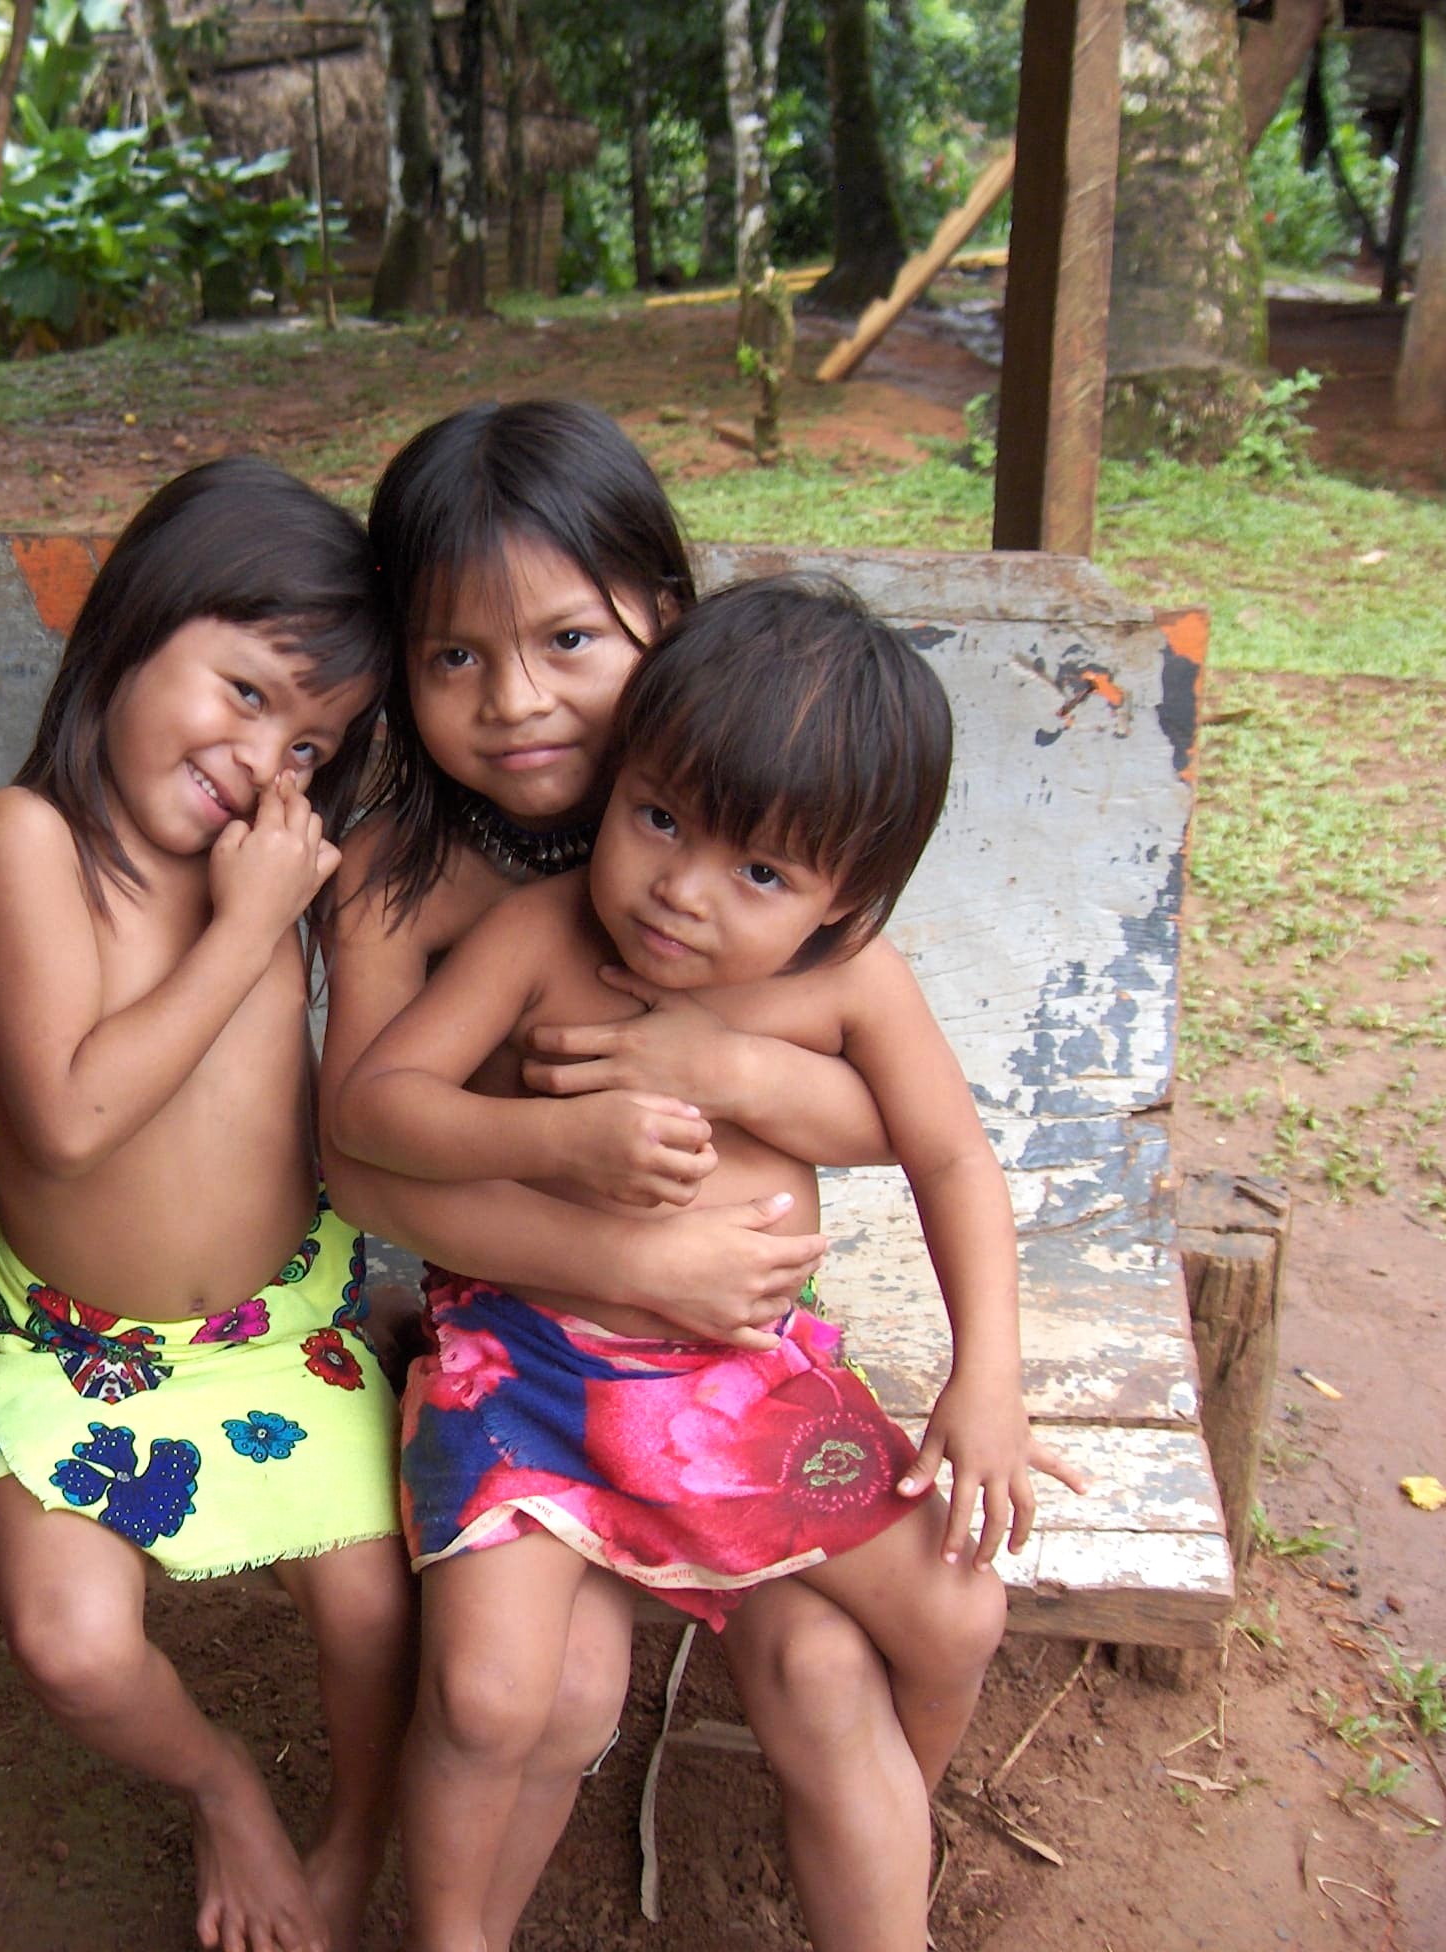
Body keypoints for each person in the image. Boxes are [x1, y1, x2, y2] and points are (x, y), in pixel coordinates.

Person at [338, 572, 1085, 1952]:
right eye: (660, 820)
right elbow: (378, 1109)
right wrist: (558, 1140)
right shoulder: (540, 936)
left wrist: (989, 1378)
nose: (681, 891)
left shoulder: (851, 982)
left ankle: (891, 1847)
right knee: (490, 1697)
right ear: (620, 779)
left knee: (959, 1613)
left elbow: (954, 1157)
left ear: (844, 899)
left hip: (740, 1378)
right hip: (528, 1376)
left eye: (761, 873)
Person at [0, 458, 413, 1952]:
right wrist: (250, 922)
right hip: (70, 1348)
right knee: (74, 1648)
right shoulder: (26, 840)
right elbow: (69, 1120)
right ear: (134, 624)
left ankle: (355, 1837)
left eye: (311, 741)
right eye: (246, 691)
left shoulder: (269, 866)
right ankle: (221, 1784)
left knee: (374, 1615)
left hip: (287, 1328)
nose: (266, 759)